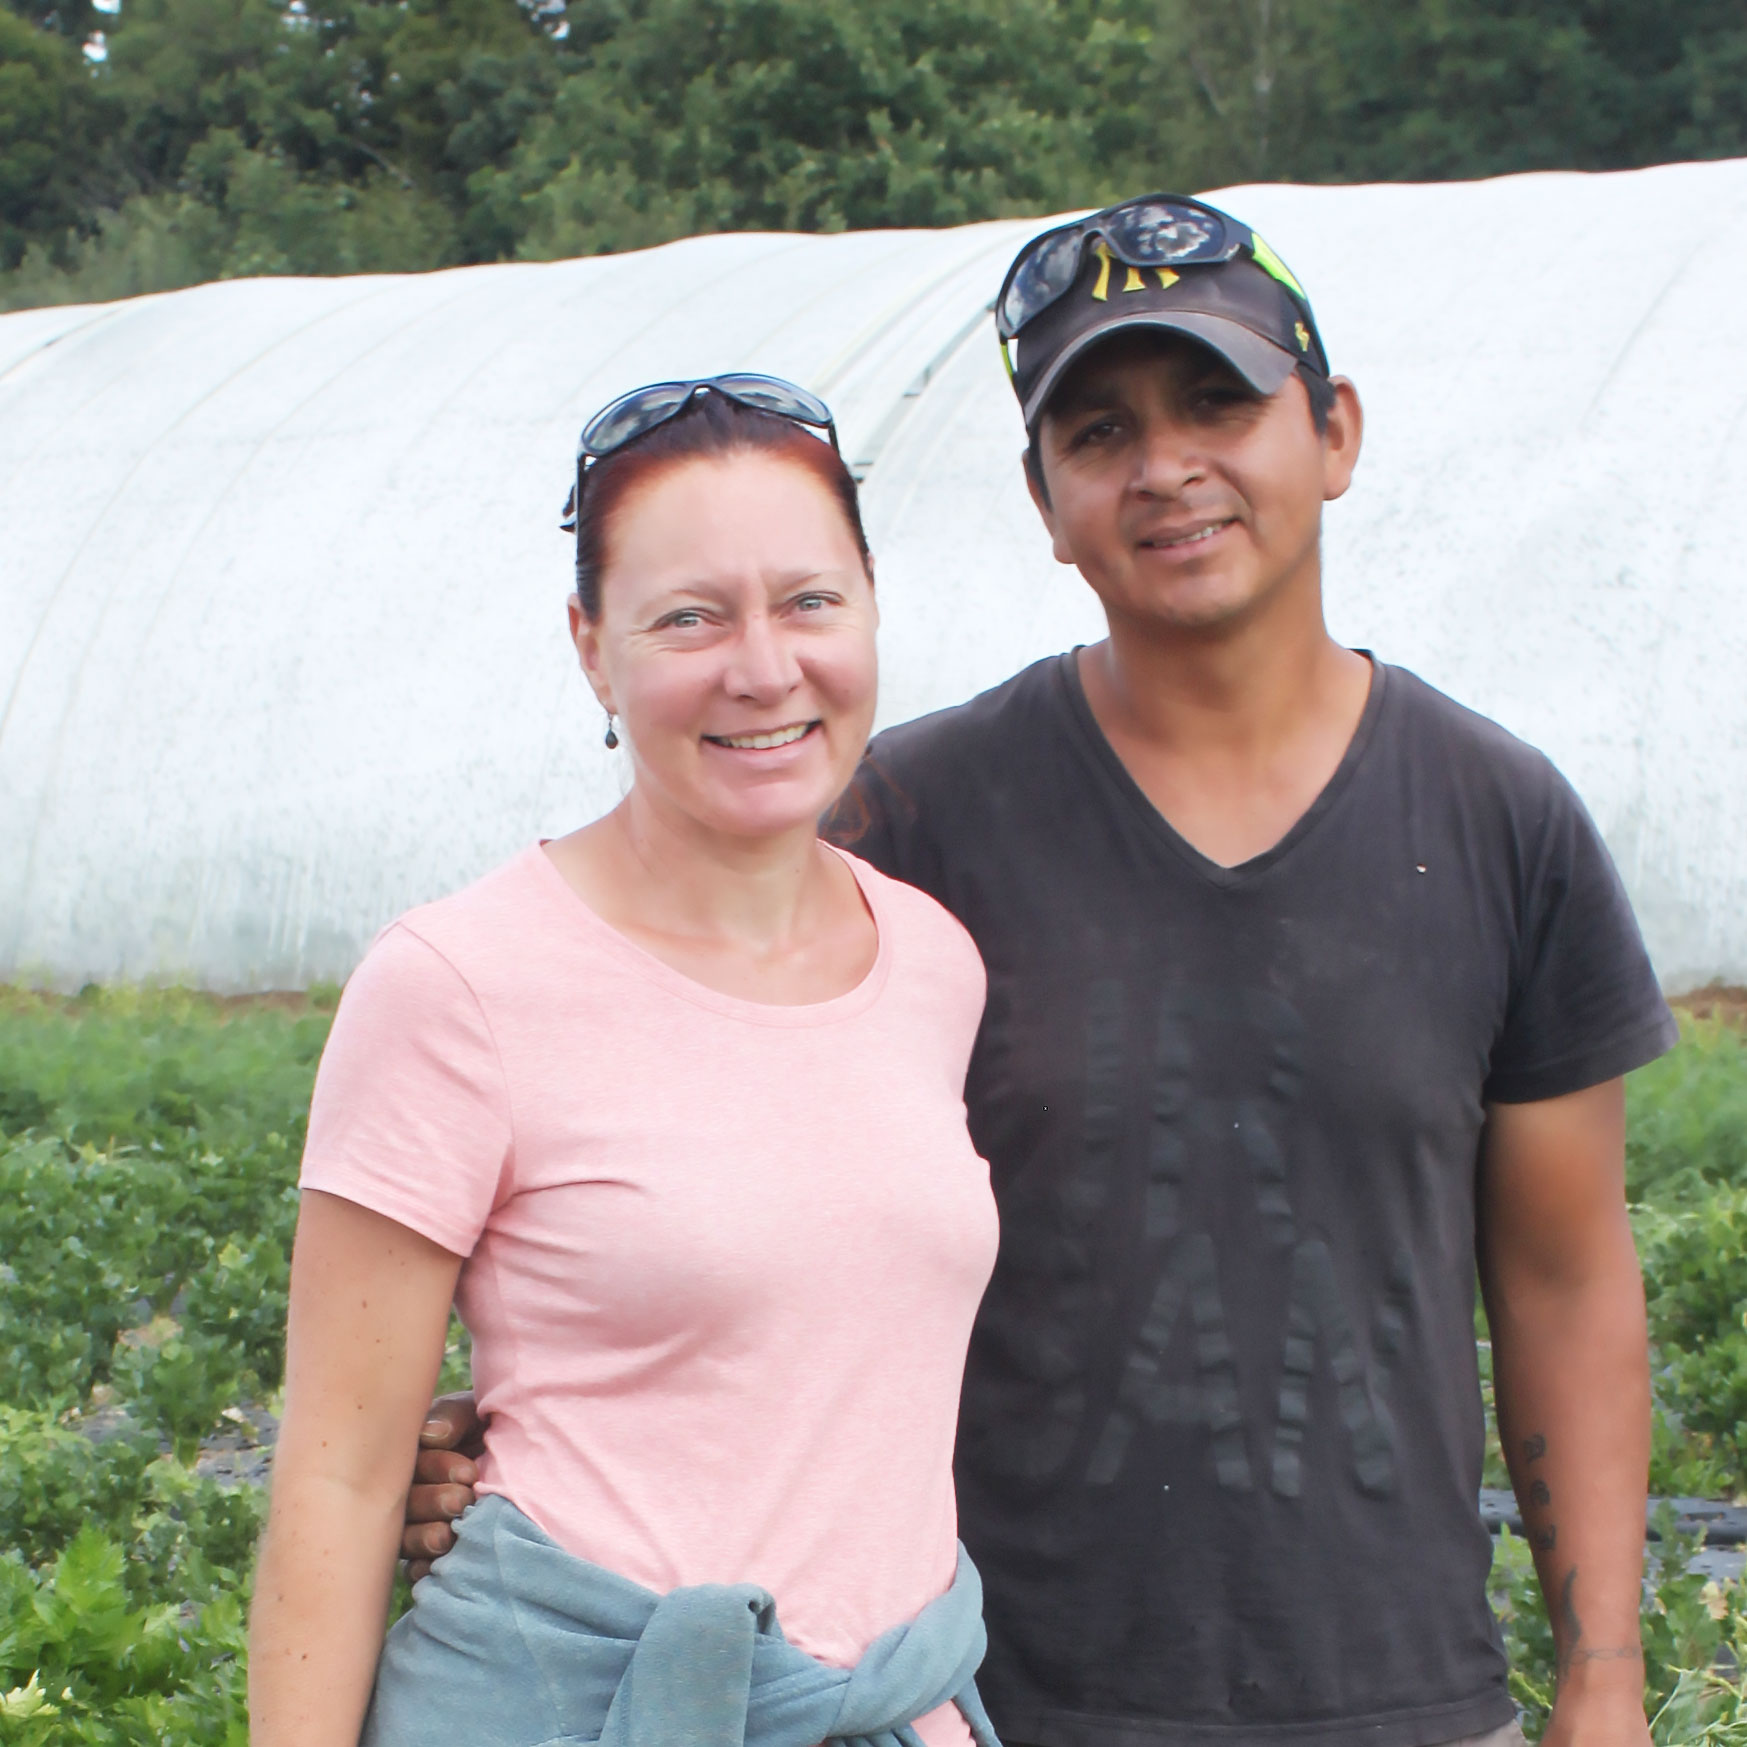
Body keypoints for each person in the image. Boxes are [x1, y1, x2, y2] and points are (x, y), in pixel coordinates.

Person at [403, 197, 1674, 1747]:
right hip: (989, 1696)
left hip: (1405, 1700)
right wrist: (482, 1442)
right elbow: (681, 1171)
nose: (1166, 465)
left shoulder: (1495, 818)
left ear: (1333, 431)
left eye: (1219, 401)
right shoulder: (907, 828)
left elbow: (1563, 1270)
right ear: (1044, 497)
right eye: (1098, 428)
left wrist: (1602, 1674)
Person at [248, 376, 1006, 1747]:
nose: (764, 668)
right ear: (592, 650)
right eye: (690, 618)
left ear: (872, 607)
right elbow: (340, 1479)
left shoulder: (935, 963)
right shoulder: (459, 984)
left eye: (809, 601)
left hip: (901, 1709)